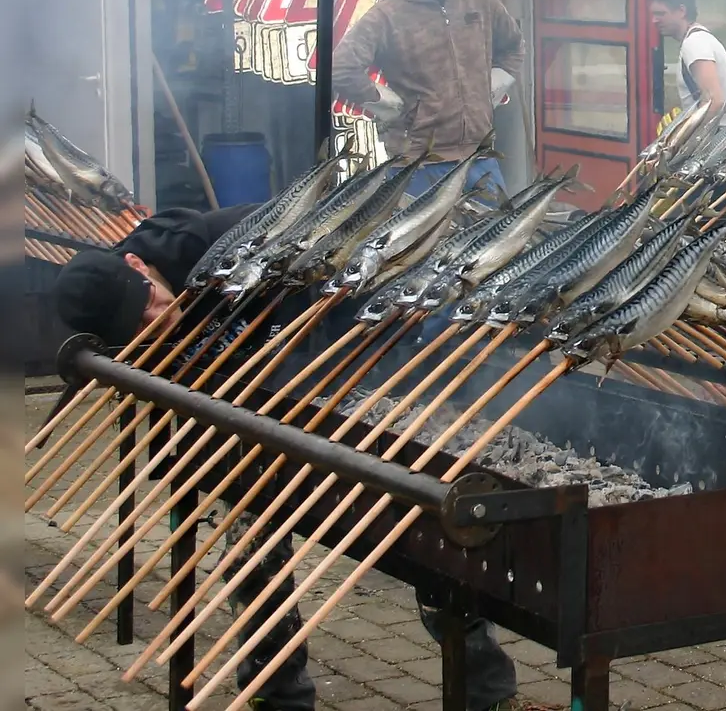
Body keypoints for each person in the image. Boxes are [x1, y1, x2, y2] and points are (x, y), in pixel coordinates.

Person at [53, 205, 530, 711]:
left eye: (147, 300)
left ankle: (486, 691)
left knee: (421, 524)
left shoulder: (225, 243)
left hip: (345, 359)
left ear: (137, 263)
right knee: (249, 540)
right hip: (241, 403)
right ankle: (279, 697)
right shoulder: (103, 291)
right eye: (138, 325)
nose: (156, 318)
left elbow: (339, 267)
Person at [332, 0, 527, 198]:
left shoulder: (480, 0)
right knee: (423, 244)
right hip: (417, 164)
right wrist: (385, 104)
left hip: (480, 156)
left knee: (495, 238)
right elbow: (341, 68)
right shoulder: (389, 12)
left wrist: (493, 87)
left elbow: (514, 46)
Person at [648, 0, 726, 136]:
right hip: (717, 135)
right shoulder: (698, 39)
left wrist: (683, 137)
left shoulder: (694, 43)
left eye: (660, 13)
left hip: (712, 140)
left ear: (681, 11)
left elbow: (714, 102)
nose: (654, 20)